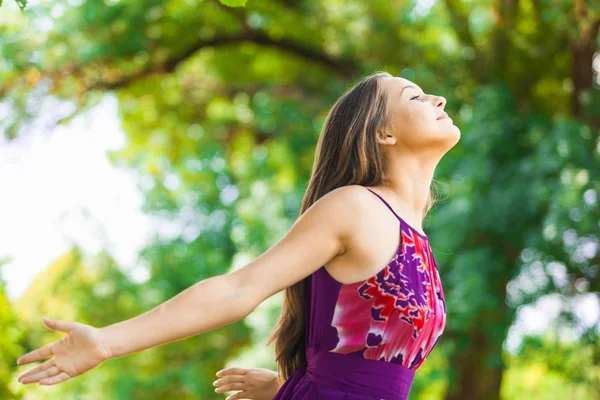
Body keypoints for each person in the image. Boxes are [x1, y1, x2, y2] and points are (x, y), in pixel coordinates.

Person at [16, 71, 459, 400]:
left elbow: (359, 365)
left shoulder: (415, 234)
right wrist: (107, 341)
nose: (438, 99)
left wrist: (283, 389)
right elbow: (237, 289)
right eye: (416, 97)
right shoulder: (356, 207)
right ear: (383, 132)